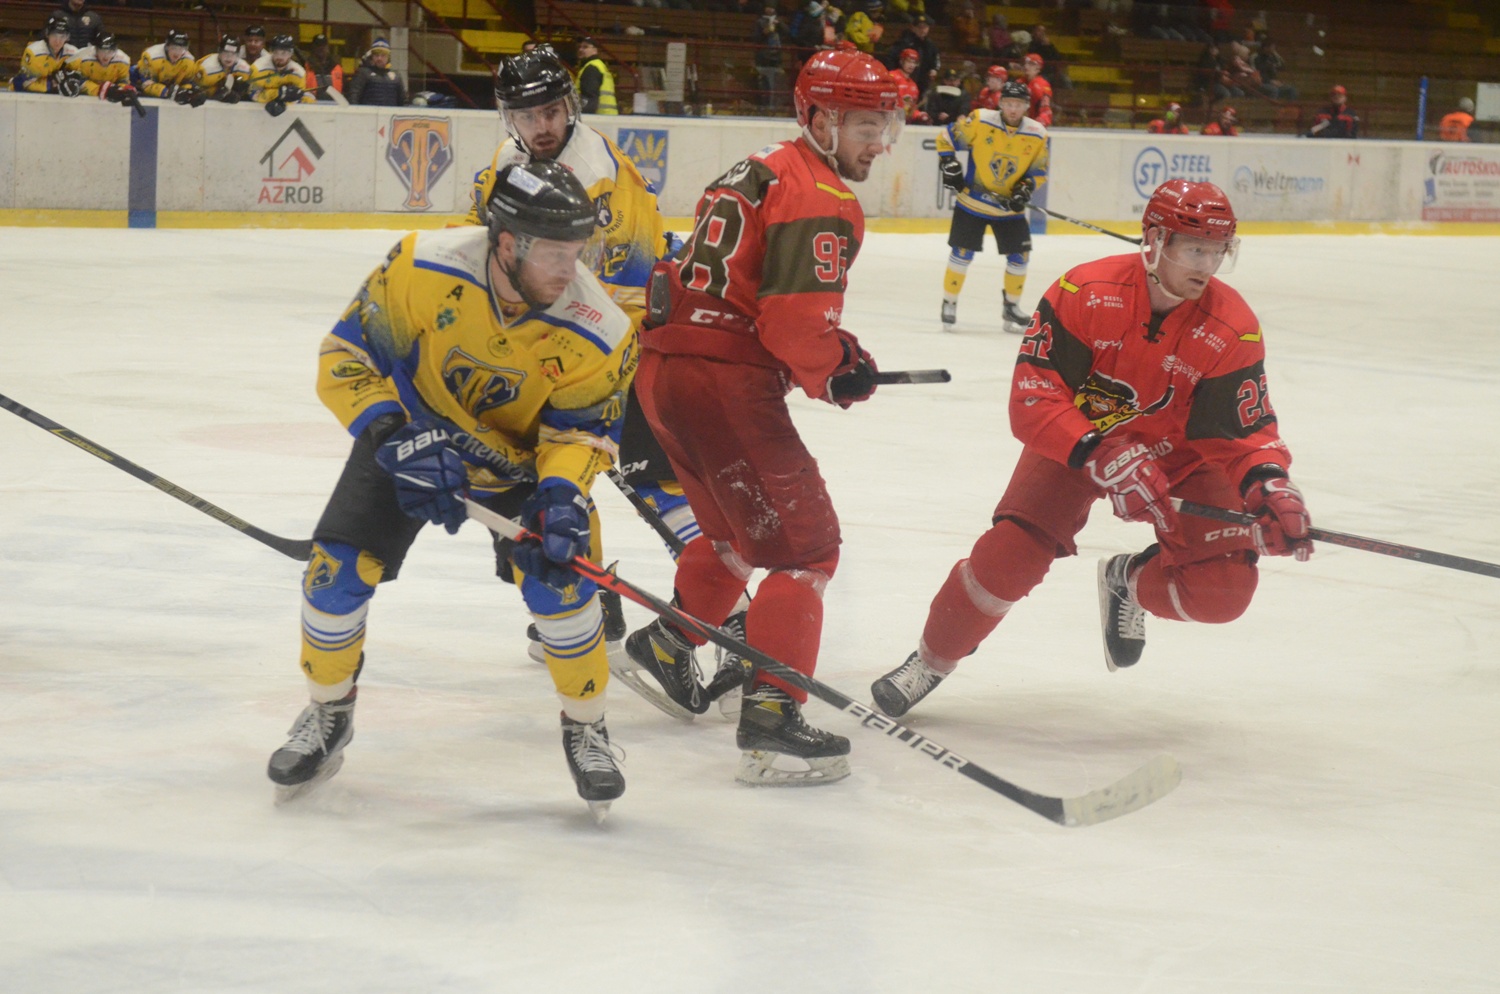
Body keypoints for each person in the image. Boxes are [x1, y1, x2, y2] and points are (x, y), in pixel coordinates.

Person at [265, 159, 637, 817]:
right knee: (333, 574)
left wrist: (560, 495)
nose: (570, 269)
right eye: (554, 253)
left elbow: (583, 434)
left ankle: (587, 726)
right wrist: (392, 435)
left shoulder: (599, 327)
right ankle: (328, 712)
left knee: (562, 588)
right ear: (507, 243)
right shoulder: (422, 267)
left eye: (577, 251)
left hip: (520, 469)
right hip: (411, 441)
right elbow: (347, 357)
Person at [871, 179, 1313, 717]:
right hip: (1080, 439)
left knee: (1223, 591)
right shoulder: (1085, 291)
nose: (1208, 266)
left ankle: (1127, 581)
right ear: (1154, 240)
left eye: (1219, 251)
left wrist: (1269, 483)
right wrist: (1098, 453)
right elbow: (1033, 397)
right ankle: (930, 661)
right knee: (1009, 558)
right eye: (1196, 250)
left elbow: (1243, 431)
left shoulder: (1231, 327)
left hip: (1180, 455)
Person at [622, 49, 901, 786]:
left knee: (735, 535)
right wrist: (835, 368)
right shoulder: (821, 195)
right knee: (806, 550)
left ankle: (668, 647)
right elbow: (791, 326)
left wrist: (835, 354)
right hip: (724, 385)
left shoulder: (757, 167)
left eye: (885, 126)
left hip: (665, 374)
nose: (880, 143)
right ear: (819, 119)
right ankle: (773, 719)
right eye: (866, 126)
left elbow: (744, 293)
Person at [461, 49, 733, 718]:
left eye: (550, 110)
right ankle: (597, 605)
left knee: (656, 488)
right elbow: (477, 250)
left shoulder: (600, 175)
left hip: (620, 349)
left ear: (570, 107)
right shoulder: (505, 163)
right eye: (527, 114)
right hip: (552, 354)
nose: (541, 125)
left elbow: (627, 292)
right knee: (556, 484)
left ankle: (736, 624)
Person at [935, 78, 1047, 334]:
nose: (1013, 109)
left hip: (1008, 209)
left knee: (1020, 257)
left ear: (1026, 106)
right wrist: (949, 163)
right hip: (972, 203)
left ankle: (1011, 306)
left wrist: (1025, 188)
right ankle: (949, 301)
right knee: (962, 253)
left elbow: (1039, 171)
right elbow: (946, 138)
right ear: (1000, 103)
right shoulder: (981, 120)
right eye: (1008, 103)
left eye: (1018, 104)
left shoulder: (1037, 133)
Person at [133, 30, 205, 105]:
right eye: (174, 48)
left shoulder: (189, 61)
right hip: (139, 88)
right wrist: (168, 92)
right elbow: (145, 85)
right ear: (167, 46)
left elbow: (186, 83)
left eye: (181, 48)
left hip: (166, 89)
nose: (177, 53)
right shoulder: (151, 56)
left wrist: (190, 93)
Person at [12, 15, 78, 95]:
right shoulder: (34, 52)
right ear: (47, 34)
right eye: (54, 35)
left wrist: (74, 80)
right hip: (22, 95)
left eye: (62, 37)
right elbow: (23, 83)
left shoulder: (73, 53)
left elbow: (82, 78)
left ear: (67, 37)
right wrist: (53, 84)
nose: (58, 41)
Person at [249, 33, 313, 114]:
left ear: (291, 54)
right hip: (257, 113)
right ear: (271, 51)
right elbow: (253, 94)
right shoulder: (258, 68)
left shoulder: (299, 73)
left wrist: (285, 102)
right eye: (276, 52)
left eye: (284, 53)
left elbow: (301, 97)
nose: (279, 57)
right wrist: (278, 94)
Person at [68, 31, 134, 104]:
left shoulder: (123, 60)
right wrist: (99, 90)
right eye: (102, 51)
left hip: (109, 100)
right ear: (96, 49)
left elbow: (123, 81)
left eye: (110, 51)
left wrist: (122, 89)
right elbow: (78, 81)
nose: (106, 56)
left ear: (115, 50)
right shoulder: (83, 58)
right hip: (85, 101)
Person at [885, 14, 938, 97]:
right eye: (919, 27)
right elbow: (890, 58)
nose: (922, 30)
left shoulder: (930, 45)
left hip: (922, 81)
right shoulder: (903, 42)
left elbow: (935, 60)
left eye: (925, 27)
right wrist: (896, 74)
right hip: (902, 80)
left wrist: (933, 69)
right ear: (913, 28)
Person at [346, 38, 407, 106]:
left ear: (388, 57)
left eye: (383, 55)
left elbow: (403, 101)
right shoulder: (363, 74)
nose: (379, 58)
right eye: (376, 55)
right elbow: (353, 97)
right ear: (372, 56)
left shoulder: (396, 77)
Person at [197, 34, 251, 104]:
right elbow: (196, 92)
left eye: (233, 53)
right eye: (226, 52)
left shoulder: (245, 68)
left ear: (238, 54)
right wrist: (215, 94)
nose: (229, 57)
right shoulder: (206, 68)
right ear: (219, 51)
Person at [575, 38, 616, 114]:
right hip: (608, 115)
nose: (580, 49)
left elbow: (589, 99)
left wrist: (585, 116)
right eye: (579, 47)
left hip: (598, 117)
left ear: (595, 50)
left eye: (585, 47)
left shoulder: (591, 68)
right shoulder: (600, 66)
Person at [890, 48, 928, 121]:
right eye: (909, 62)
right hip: (891, 118)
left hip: (904, 121)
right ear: (901, 61)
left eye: (914, 63)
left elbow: (911, 110)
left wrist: (920, 114)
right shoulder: (892, 76)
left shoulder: (914, 86)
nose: (911, 65)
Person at [303, 33, 344, 101]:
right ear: (313, 48)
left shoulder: (336, 67)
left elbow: (344, 90)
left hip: (334, 104)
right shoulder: (305, 67)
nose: (321, 48)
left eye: (323, 46)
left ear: (328, 47)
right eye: (318, 46)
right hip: (311, 105)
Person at [1022, 52, 1052, 126]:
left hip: (1033, 126)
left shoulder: (1041, 84)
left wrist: (1039, 123)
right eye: (1025, 63)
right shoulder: (1019, 82)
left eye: (1031, 64)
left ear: (1038, 68)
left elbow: (1045, 109)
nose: (1026, 66)